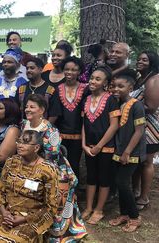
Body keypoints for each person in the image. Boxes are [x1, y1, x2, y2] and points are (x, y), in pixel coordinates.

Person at [22, 94, 87, 242]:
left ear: (42, 110)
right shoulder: (23, 124)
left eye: (32, 107)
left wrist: (31, 168)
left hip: (53, 169)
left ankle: (59, 233)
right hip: (28, 165)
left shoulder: (50, 130)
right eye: (26, 106)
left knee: (56, 191)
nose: (28, 109)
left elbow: (51, 157)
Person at [0, 130, 59, 242]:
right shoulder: (11, 162)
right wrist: (3, 212)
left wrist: (24, 219)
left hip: (33, 218)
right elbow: (0, 191)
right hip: (7, 213)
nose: (20, 145)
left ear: (36, 148)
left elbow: (51, 206)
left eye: (25, 142)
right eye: (19, 141)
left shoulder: (47, 170)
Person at [81, 66, 120, 225]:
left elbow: (114, 126)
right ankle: (89, 207)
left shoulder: (111, 100)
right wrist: (84, 144)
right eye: (92, 78)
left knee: (104, 178)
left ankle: (99, 209)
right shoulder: (86, 99)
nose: (93, 81)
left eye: (98, 79)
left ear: (105, 83)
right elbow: (84, 123)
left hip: (105, 147)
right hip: (89, 147)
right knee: (91, 177)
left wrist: (99, 146)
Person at [108, 70, 145, 232]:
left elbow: (139, 131)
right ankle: (124, 214)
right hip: (119, 149)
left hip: (131, 152)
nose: (116, 89)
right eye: (114, 86)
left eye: (121, 86)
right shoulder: (116, 103)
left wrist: (128, 151)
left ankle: (135, 217)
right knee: (118, 182)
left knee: (123, 182)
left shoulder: (136, 105)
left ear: (130, 87)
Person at [130, 51, 159, 210]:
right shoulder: (140, 78)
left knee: (147, 162)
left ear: (152, 62)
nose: (140, 61)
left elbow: (152, 107)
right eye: (139, 59)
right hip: (138, 126)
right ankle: (135, 190)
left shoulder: (153, 80)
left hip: (150, 129)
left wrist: (128, 106)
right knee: (136, 160)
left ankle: (144, 197)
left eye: (145, 60)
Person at [55, 56, 89, 178]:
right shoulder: (57, 88)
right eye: (67, 69)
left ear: (79, 71)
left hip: (79, 134)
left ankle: (73, 192)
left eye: (74, 70)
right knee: (60, 163)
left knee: (74, 164)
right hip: (60, 134)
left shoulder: (86, 88)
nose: (70, 72)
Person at [15, 57, 61, 123]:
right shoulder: (21, 88)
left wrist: (44, 129)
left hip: (43, 129)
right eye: (27, 68)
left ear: (40, 70)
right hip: (24, 129)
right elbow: (16, 111)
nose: (28, 70)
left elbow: (54, 114)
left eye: (32, 68)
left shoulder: (50, 90)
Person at [0, 48, 28, 120]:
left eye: (9, 62)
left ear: (17, 64)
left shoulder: (23, 83)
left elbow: (24, 106)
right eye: (4, 62)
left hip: (15, 122)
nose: (6, 64)